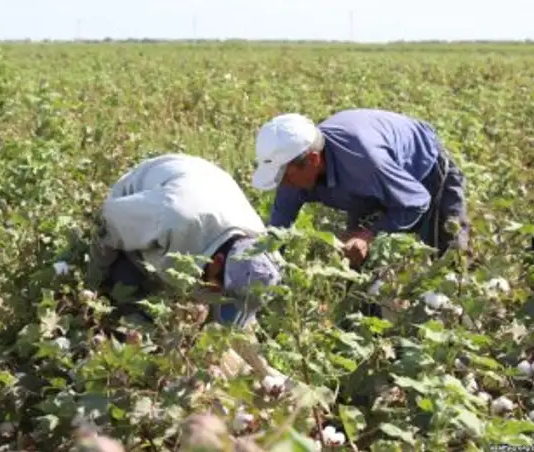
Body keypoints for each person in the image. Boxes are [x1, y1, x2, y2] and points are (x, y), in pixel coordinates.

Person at [87, 153, 287, 380]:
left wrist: (262, 372)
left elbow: (235, 321)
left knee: (207, 322)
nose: (220, 295)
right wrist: (92, 284)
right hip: (140, 199)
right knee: (128, 293)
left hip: (203, 190)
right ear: (218, 261)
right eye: (222, 289)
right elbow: (108, 219)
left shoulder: (262, 252)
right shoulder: (171, 219)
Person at [250, 108, 470, 269]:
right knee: (356, 261)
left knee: (449, 259)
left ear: (313, 160)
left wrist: (369, 234)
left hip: (424, 172)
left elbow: (416, 201)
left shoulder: (365, 161)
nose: (284, 186)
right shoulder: (294, 175)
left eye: (286, 177)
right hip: (368, 186)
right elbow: (276, 234)